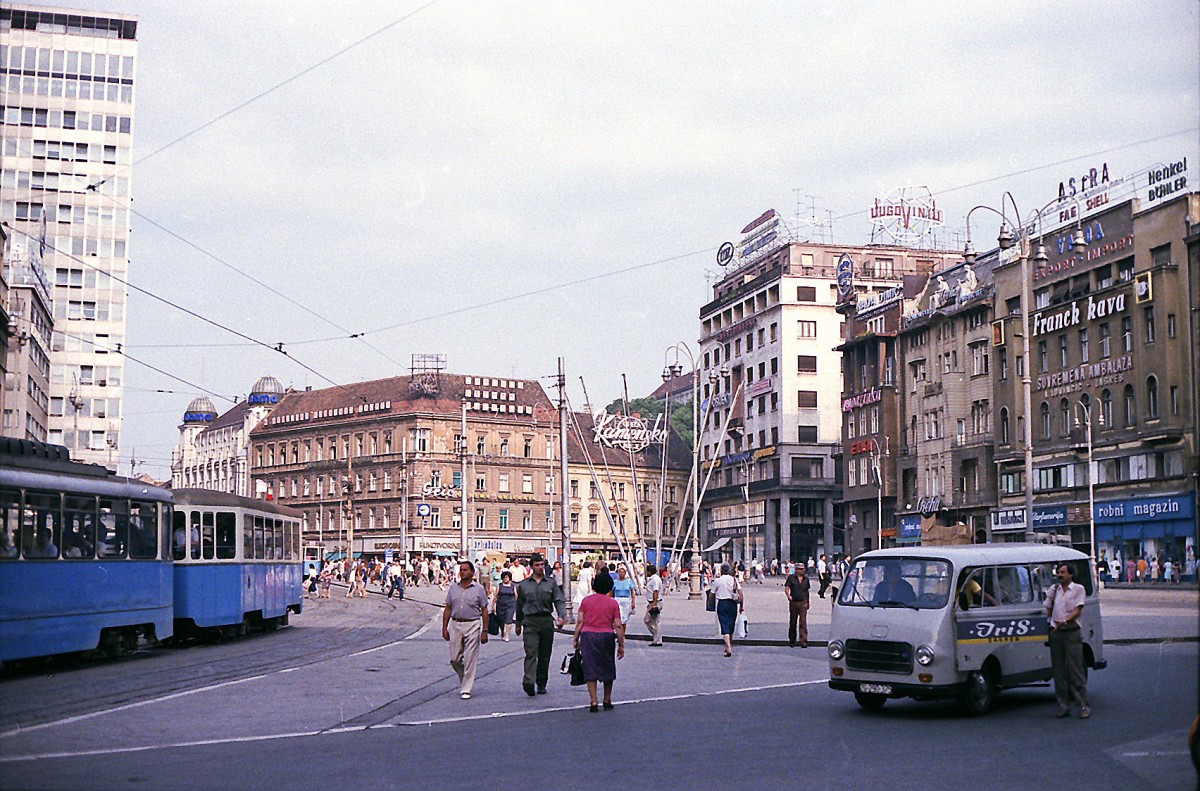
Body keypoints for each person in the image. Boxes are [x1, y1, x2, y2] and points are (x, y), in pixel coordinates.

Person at [515, 553, 567, 696]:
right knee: (531, 652)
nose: (540, 567)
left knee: (544, 654)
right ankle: (529, 681)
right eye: (537, 565)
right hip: (530, 622)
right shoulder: (524, 585)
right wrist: (518, 623)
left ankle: (541, 682)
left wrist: (561, 616)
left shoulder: (550, 583)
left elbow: (558, 600)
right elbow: (519, 605)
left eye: (542, 565)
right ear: (531, 566)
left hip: (546, 621)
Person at [573, 569, 625, 712]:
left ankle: (593, 701)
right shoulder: (613, 603)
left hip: (588, 636)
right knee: (608, 665)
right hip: (606, 636)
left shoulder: (586, 601)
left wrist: (575, 638)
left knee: (590, 666)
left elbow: (580, 621)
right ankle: (607, 699)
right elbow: (618, 625)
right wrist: (621, 644)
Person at [1045, 562, 1089, 719]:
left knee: (1075, 670)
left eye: (1063, 572)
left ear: (1070, 574)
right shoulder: (1054, 590)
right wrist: (1048, 621)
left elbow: (1078, 610)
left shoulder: (1078, 589)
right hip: (1056, 633)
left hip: (1071, 632)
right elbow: (1048, 608)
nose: (1059, 575)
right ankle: (1063, 706)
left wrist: (1064, 620)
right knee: (1058, 672)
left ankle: (1082, 705)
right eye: (1058, 572)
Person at [442, 560, 489, 700]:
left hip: (473, 624)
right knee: (454, 659)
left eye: (465, 570)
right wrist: (444, 627)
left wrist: (484, 630)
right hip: (456, 624)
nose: (462, 572)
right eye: (461, 570)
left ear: (472, 573)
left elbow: (484, 609)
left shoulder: (479, 589)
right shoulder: (453, 588)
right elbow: (448, 608)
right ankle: (464, 677)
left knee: (470, 658)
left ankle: (466, 688)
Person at [711, 563, 742, 657]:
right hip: (732, 604)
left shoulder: (717, 581)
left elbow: (712, 594)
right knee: (731, 624)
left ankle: (728, 647)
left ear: (721, 570)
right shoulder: (734, 580)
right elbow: (740, 593)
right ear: (728, 570)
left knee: (724, 624)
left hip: (722, 603)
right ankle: (729, 644)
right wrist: (741, 605)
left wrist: (709, 603)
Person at [784, 562, 810, 648]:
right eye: (801, 569)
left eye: (803, 569)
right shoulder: (791, 578)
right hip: (794, 602)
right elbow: (787, 588)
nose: (803, 570)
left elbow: (807, 591)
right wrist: (788, 596)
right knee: (793, 621)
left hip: (803, 602)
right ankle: (792, 640)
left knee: (803, 622)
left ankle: (803, 640)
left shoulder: (806, 579)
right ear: (796, 570)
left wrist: (808, 602)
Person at [492, 570, 518, 641]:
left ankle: (507, 635)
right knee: (501, 620)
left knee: (509, 619)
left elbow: (516, 596)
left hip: (510, 605)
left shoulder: (513, 586)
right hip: (500, 605)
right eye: (504, 577)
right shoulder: (499, 586)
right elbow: (495, 596)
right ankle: (503, 632)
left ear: (509, 578)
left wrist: (518, 605)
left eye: (507, 577)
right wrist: (493, 606)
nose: (505, 579)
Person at [643, 564, 663, 646]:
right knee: (651, 621)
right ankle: (656, 637)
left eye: (647, 571)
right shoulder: (652, 579)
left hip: (655, 602)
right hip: (652, 602)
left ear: (649, 571)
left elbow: (655, 591)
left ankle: (657, 638)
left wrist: (654, 603)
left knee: (652, 621)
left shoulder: (655, 580)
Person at [611, 564, 635, 632]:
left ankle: (622, 634)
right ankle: (618, 632)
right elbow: (611, 592)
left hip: (626, 600)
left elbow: (632, 592)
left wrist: (633, 601)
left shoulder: (629, 581)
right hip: (617, 599)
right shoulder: (615, 582)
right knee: (617, 618)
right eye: (620, 572)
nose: (621, 573)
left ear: (625, 573)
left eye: (623, 572)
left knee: (624, 619)